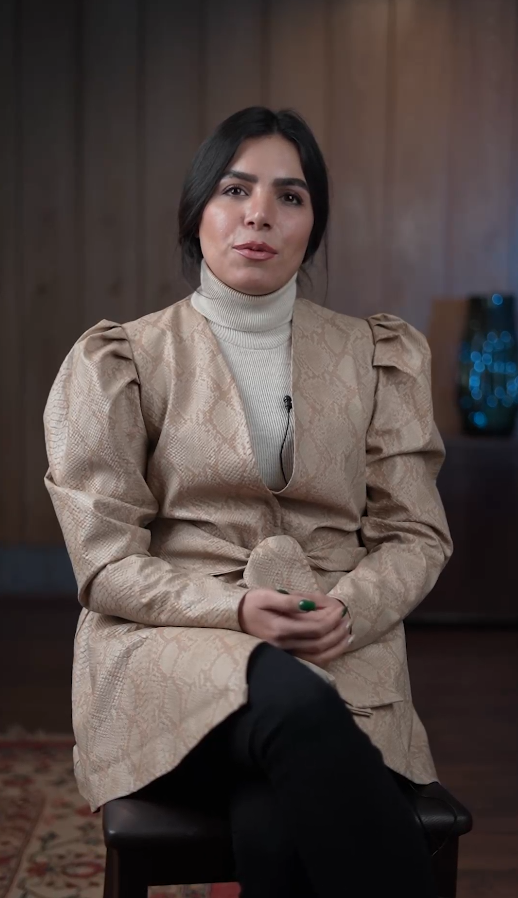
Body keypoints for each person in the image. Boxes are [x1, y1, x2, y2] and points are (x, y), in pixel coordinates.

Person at [43, 106, 453, 897]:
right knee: (298, 712)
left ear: (313, 225)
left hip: (337, 645)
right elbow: (105, 564)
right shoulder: (121, 359)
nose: (260, 213)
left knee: (275, 822)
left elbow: (416, 535)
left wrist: (350, 609)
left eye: (289, 196)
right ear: (197, 211)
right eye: (235, 189)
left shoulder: (378, 355)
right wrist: (234, 612)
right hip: (171, 650)